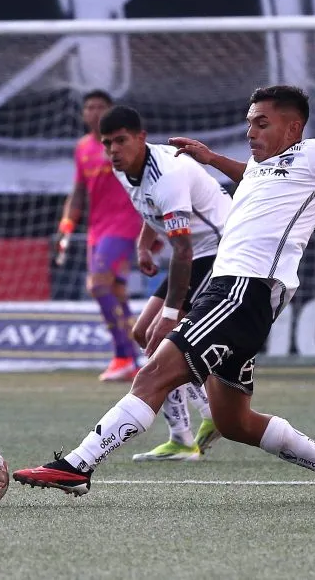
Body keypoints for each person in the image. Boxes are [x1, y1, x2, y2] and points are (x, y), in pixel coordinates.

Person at [12, 85, 315, 496]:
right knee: (233, 421)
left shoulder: (314, 155)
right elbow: (254, 176)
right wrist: (212, 158)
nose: (250, 131)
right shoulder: (265, 166)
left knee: (154, 373)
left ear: (293, 127)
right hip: (233, 291)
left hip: (244, 291)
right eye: (249, 123)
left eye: (261, 123)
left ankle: (78, 464)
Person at [97, 105, 227, 461]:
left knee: (164, 337)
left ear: (141, 137)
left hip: (220, 248)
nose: (113, 150)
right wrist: (144, 245)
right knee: (144, 334)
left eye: (121, 141)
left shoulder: (168, 174)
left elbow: (182, 250)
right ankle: (198, 424)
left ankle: (190, 433)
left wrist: (170, 315)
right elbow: (150, 208)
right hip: (193, 252)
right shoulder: (124, 168)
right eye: (107, 143)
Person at [56, 90, 144, 382]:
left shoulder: (124, 143)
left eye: (100, 107)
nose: (94, 112)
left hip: (124, 223)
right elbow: (79, 191)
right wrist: (68, 222)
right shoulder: (82, 148)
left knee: (97, 284)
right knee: (116, 291)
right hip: (97, 228)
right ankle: (131, 359)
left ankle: (123, 356)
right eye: (89, 107)